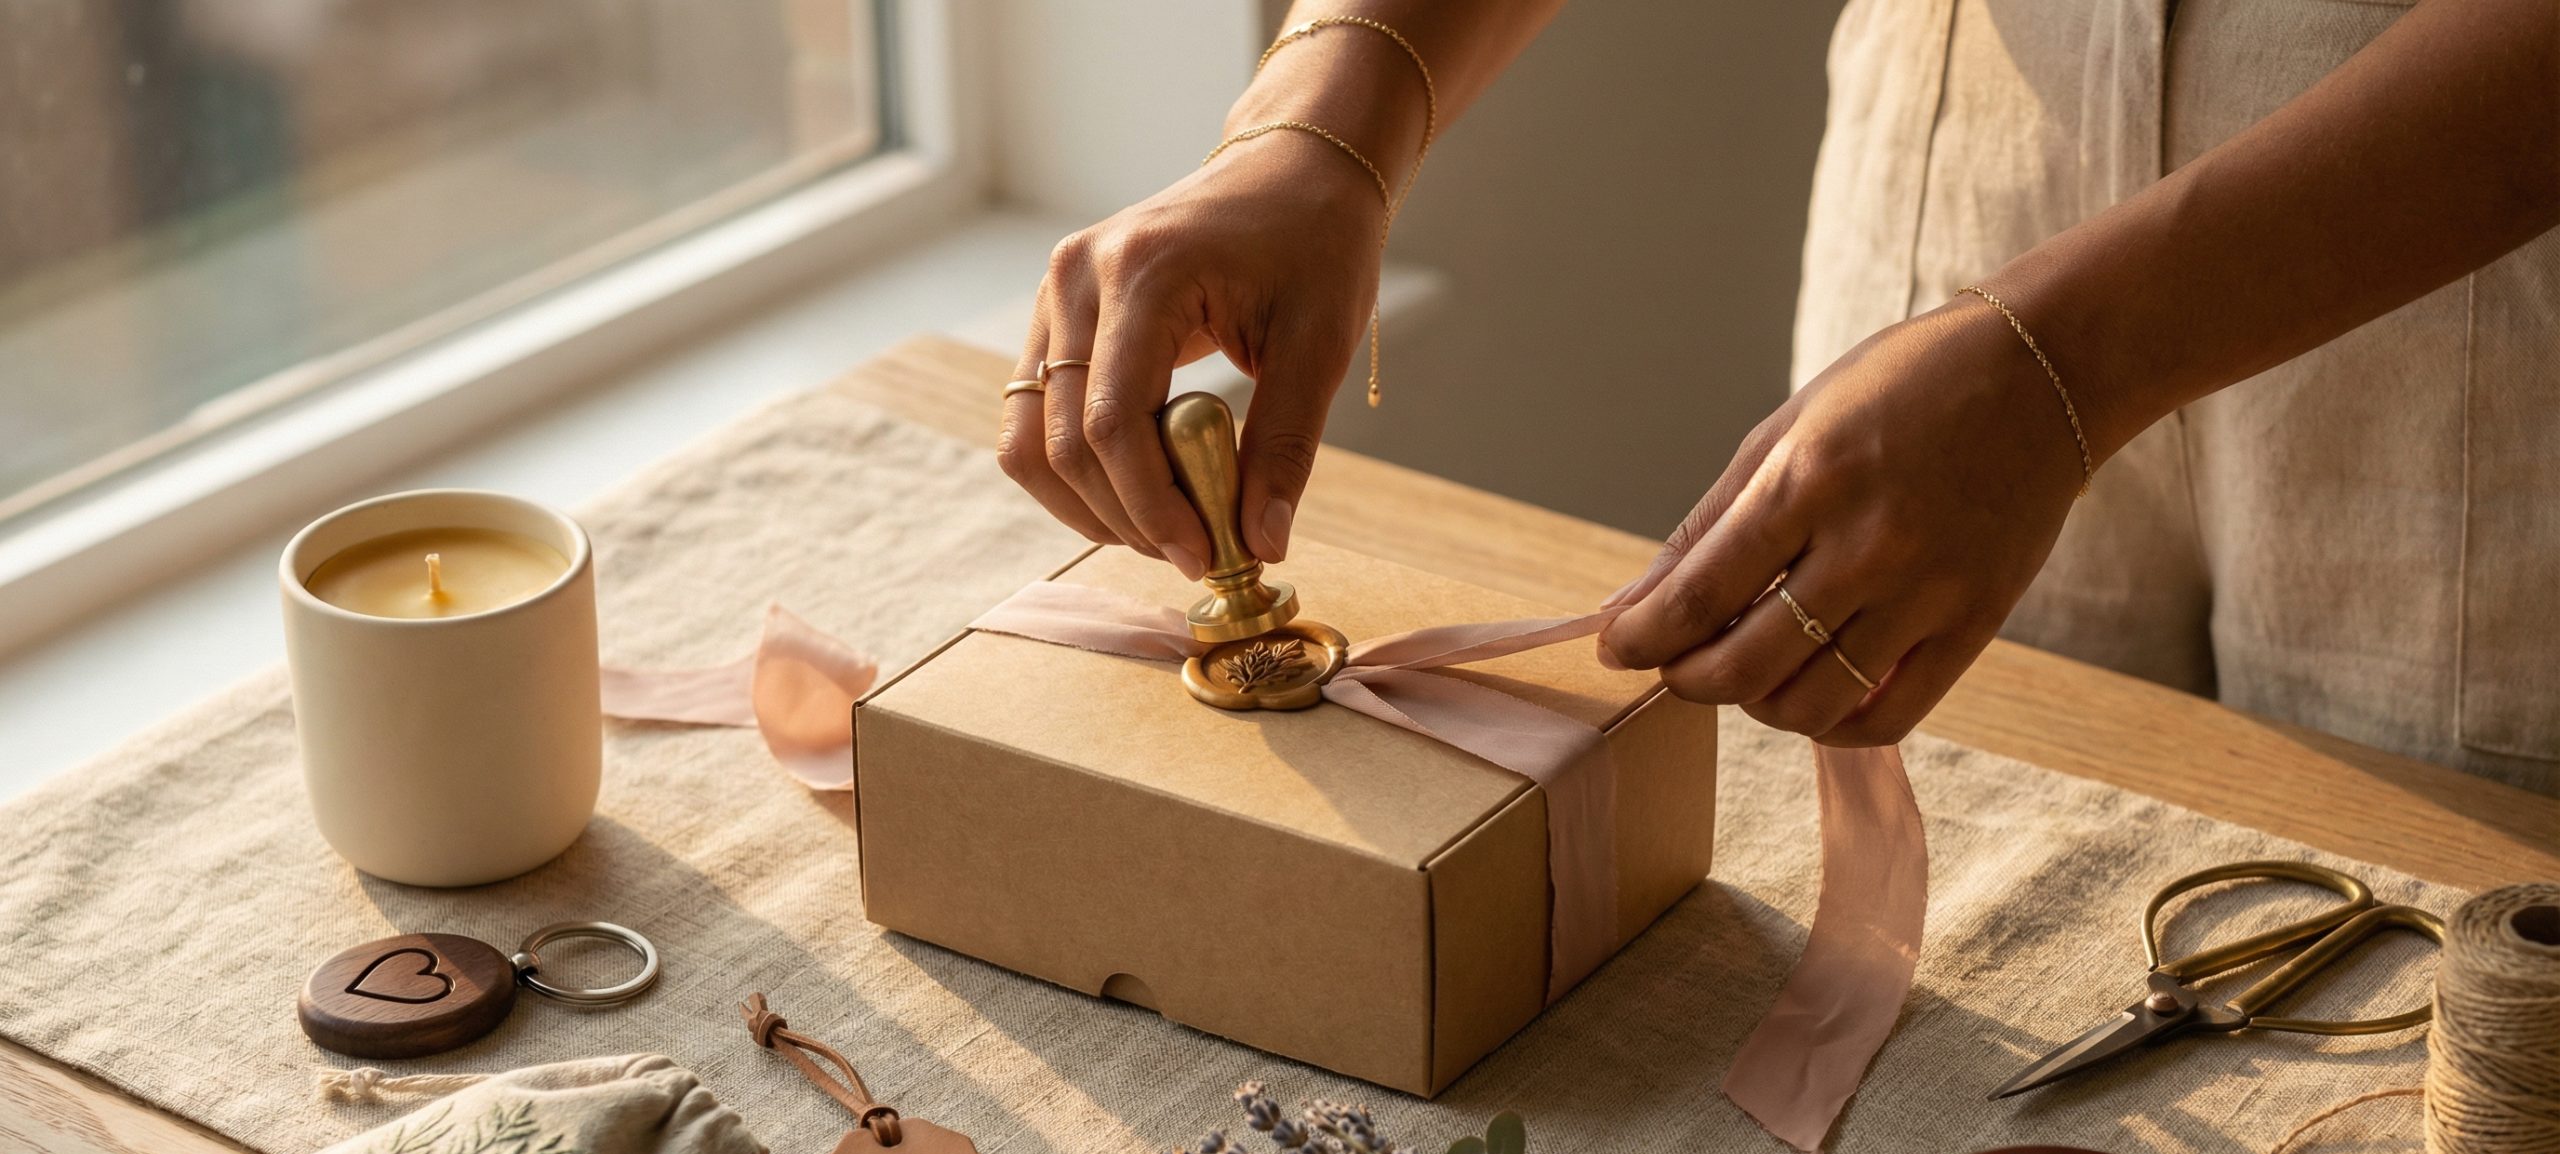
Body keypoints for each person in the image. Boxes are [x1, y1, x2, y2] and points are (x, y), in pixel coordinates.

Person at [996, 1, 2560, 794]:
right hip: (1961, 176)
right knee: (1949, 917)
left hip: (2467, 246)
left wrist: (2072, 360)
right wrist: (1325, 109)